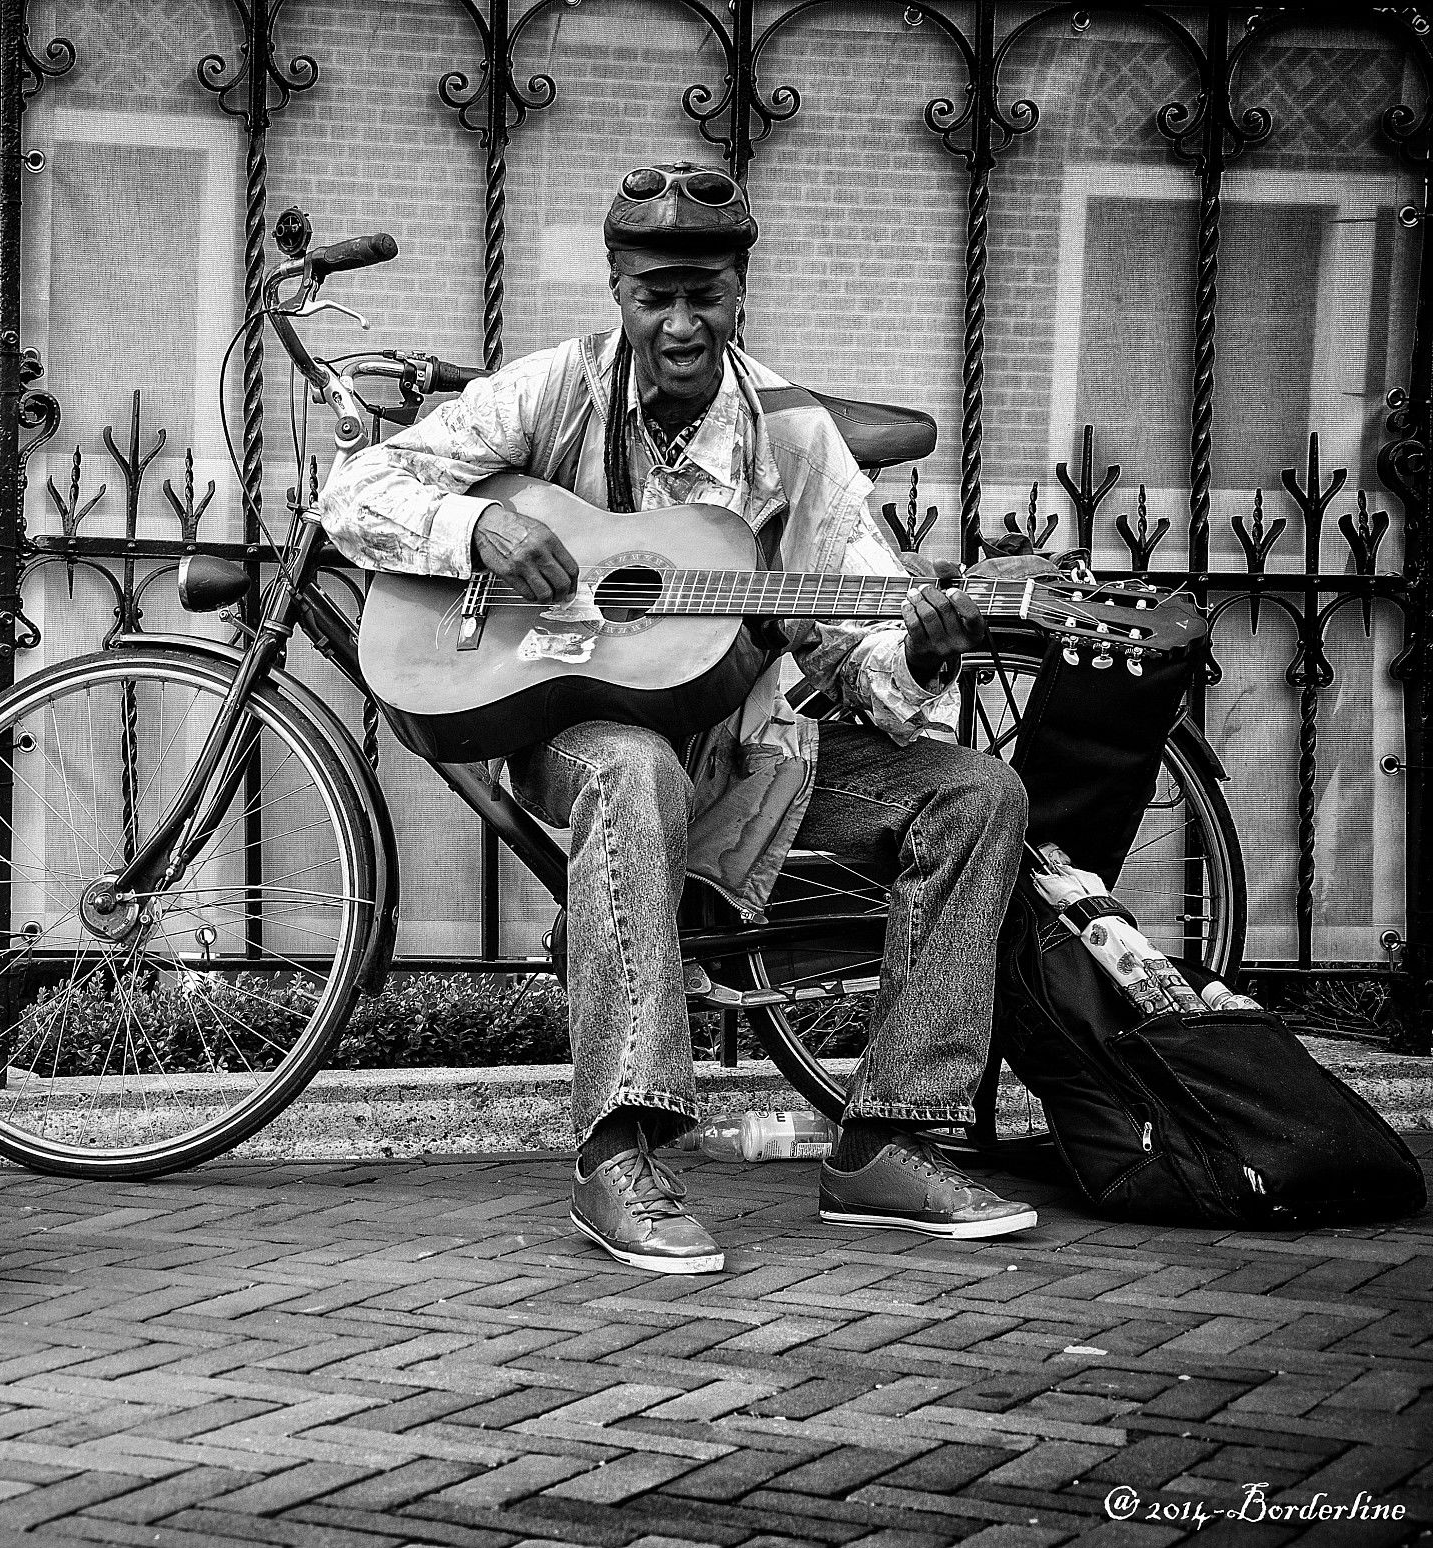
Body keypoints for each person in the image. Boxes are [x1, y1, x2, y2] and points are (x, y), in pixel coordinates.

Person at [317, 162, 1039, 1274]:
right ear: (618, 289)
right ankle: (620, 1151)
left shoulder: (794, 441)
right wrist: (476, 532)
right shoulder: (553, 388)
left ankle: (885, 1136)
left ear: (740, 291)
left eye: (706, 293)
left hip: (756, 748)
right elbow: (357, 494)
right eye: (658, 294)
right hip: (580, 735)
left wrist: (928, 646)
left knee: (980, 794)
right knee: (632, 764)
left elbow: (869, 669)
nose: (683, 320)